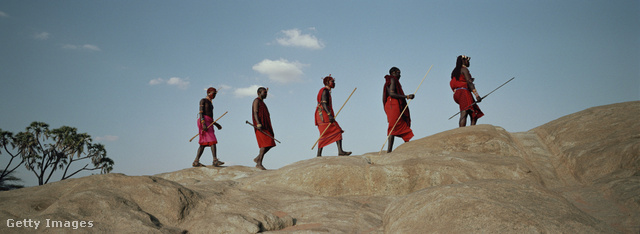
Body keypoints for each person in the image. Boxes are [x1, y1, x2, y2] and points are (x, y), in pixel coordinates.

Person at [315, 75, 352, 157]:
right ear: (327, 82)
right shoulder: (324, 91)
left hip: (324, 114)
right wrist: (329, 115)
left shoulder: (326, 91)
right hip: (323, 115)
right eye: (332, 81)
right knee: (331, 132)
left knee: (336, 131)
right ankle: (319, 154)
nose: (334, 83)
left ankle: (340, 151)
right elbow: (324, 103)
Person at [383, 67, 414, 153]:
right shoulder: (392, 80)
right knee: (393, 125)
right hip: (392, 104)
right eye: (398, 72)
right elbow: (392, 93)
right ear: (393, 73)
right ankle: (389, 151)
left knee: (402, 123)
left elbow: (383, 99)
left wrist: (386, 112)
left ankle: (407, 144)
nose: (400, 75)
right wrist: (407, 96)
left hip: (389, 105)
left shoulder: (388, 82)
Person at [193, 87, 224, 167]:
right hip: (204, 122)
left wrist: (216, 124)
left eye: (215, 94)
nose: (215, 96)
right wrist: (203, 123)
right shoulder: (203, 100)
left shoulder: (210, 103)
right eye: (214, 94)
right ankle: (215, 160)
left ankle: (196, 161)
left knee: (204, 143)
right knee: (212, 140)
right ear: (209, 93)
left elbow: (210, 117)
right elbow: (201, 113)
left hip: (209, 122)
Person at [450, 55, 483, 127]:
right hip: (463, 92)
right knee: (464, 111)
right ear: (463, 61)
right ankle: (463, 131)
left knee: (474, 111)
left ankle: (471, 130)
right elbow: (469, 83)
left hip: (457, 93)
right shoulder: (464, 70)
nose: (468, 62)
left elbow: (460, 81)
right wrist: (477, 95)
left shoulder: (455, 71)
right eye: (467, 60)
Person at [252, 87, 275, 170]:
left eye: (266, 92)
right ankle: (259, 163)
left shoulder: (262, 103)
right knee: (264, 144)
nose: (266, 94)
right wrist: (258, 123)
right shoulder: (256, 101)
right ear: (259, 93)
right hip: (260, 126)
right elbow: (255, 112)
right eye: (264, 92)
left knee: (271, 142)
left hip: (266, 126)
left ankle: (257, 158)